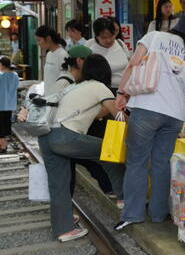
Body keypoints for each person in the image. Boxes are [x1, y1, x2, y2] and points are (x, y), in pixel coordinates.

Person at [115, 14, 185, 230]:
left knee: (136, 163)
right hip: (174, 115)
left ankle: (132, 214)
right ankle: (158, 214)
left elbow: (133, 64)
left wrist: (121, 92)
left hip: (146, 109)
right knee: (161, 163)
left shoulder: (154, 37)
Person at [38, 54, 125, 242]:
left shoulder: (75, 86)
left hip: (45, 136)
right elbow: (117, 115)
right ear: (105, 72)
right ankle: (123, 198)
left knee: (58, 184)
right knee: (110, 153)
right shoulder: (100, 87)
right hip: (64, 137)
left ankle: (64, 229)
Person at [55, 45, 116, 198]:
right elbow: (111, 113)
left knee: (70, 172)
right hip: (69, 134)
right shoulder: (83, 84)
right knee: (108, 156)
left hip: (57, 134)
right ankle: (118, 193)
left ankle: (65, 212)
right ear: (79, 61)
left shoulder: (76, 83)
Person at [86, 17, 131, 92]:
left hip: (124, 89)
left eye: (111, 36)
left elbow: (129, 65)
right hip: (103, 91)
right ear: (97, 36)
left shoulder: (120, 44)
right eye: (104, 37)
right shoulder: (90, 49)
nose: (108, 40)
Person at [35, 26, 69, 97]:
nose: (38, 43)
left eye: (39, 40)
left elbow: (65, 81)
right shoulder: (49, 54)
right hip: (48, 97)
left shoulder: (62, 54)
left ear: (48, 38)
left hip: (57, 98)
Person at [0, 56, 19, 153]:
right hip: (9, 104)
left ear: (2, 65)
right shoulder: (15, 75)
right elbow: (16, 86)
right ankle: (4, 145)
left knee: (1, 126)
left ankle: (3, 146)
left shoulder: (0, 75)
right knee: (6, 124)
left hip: (1, 104)